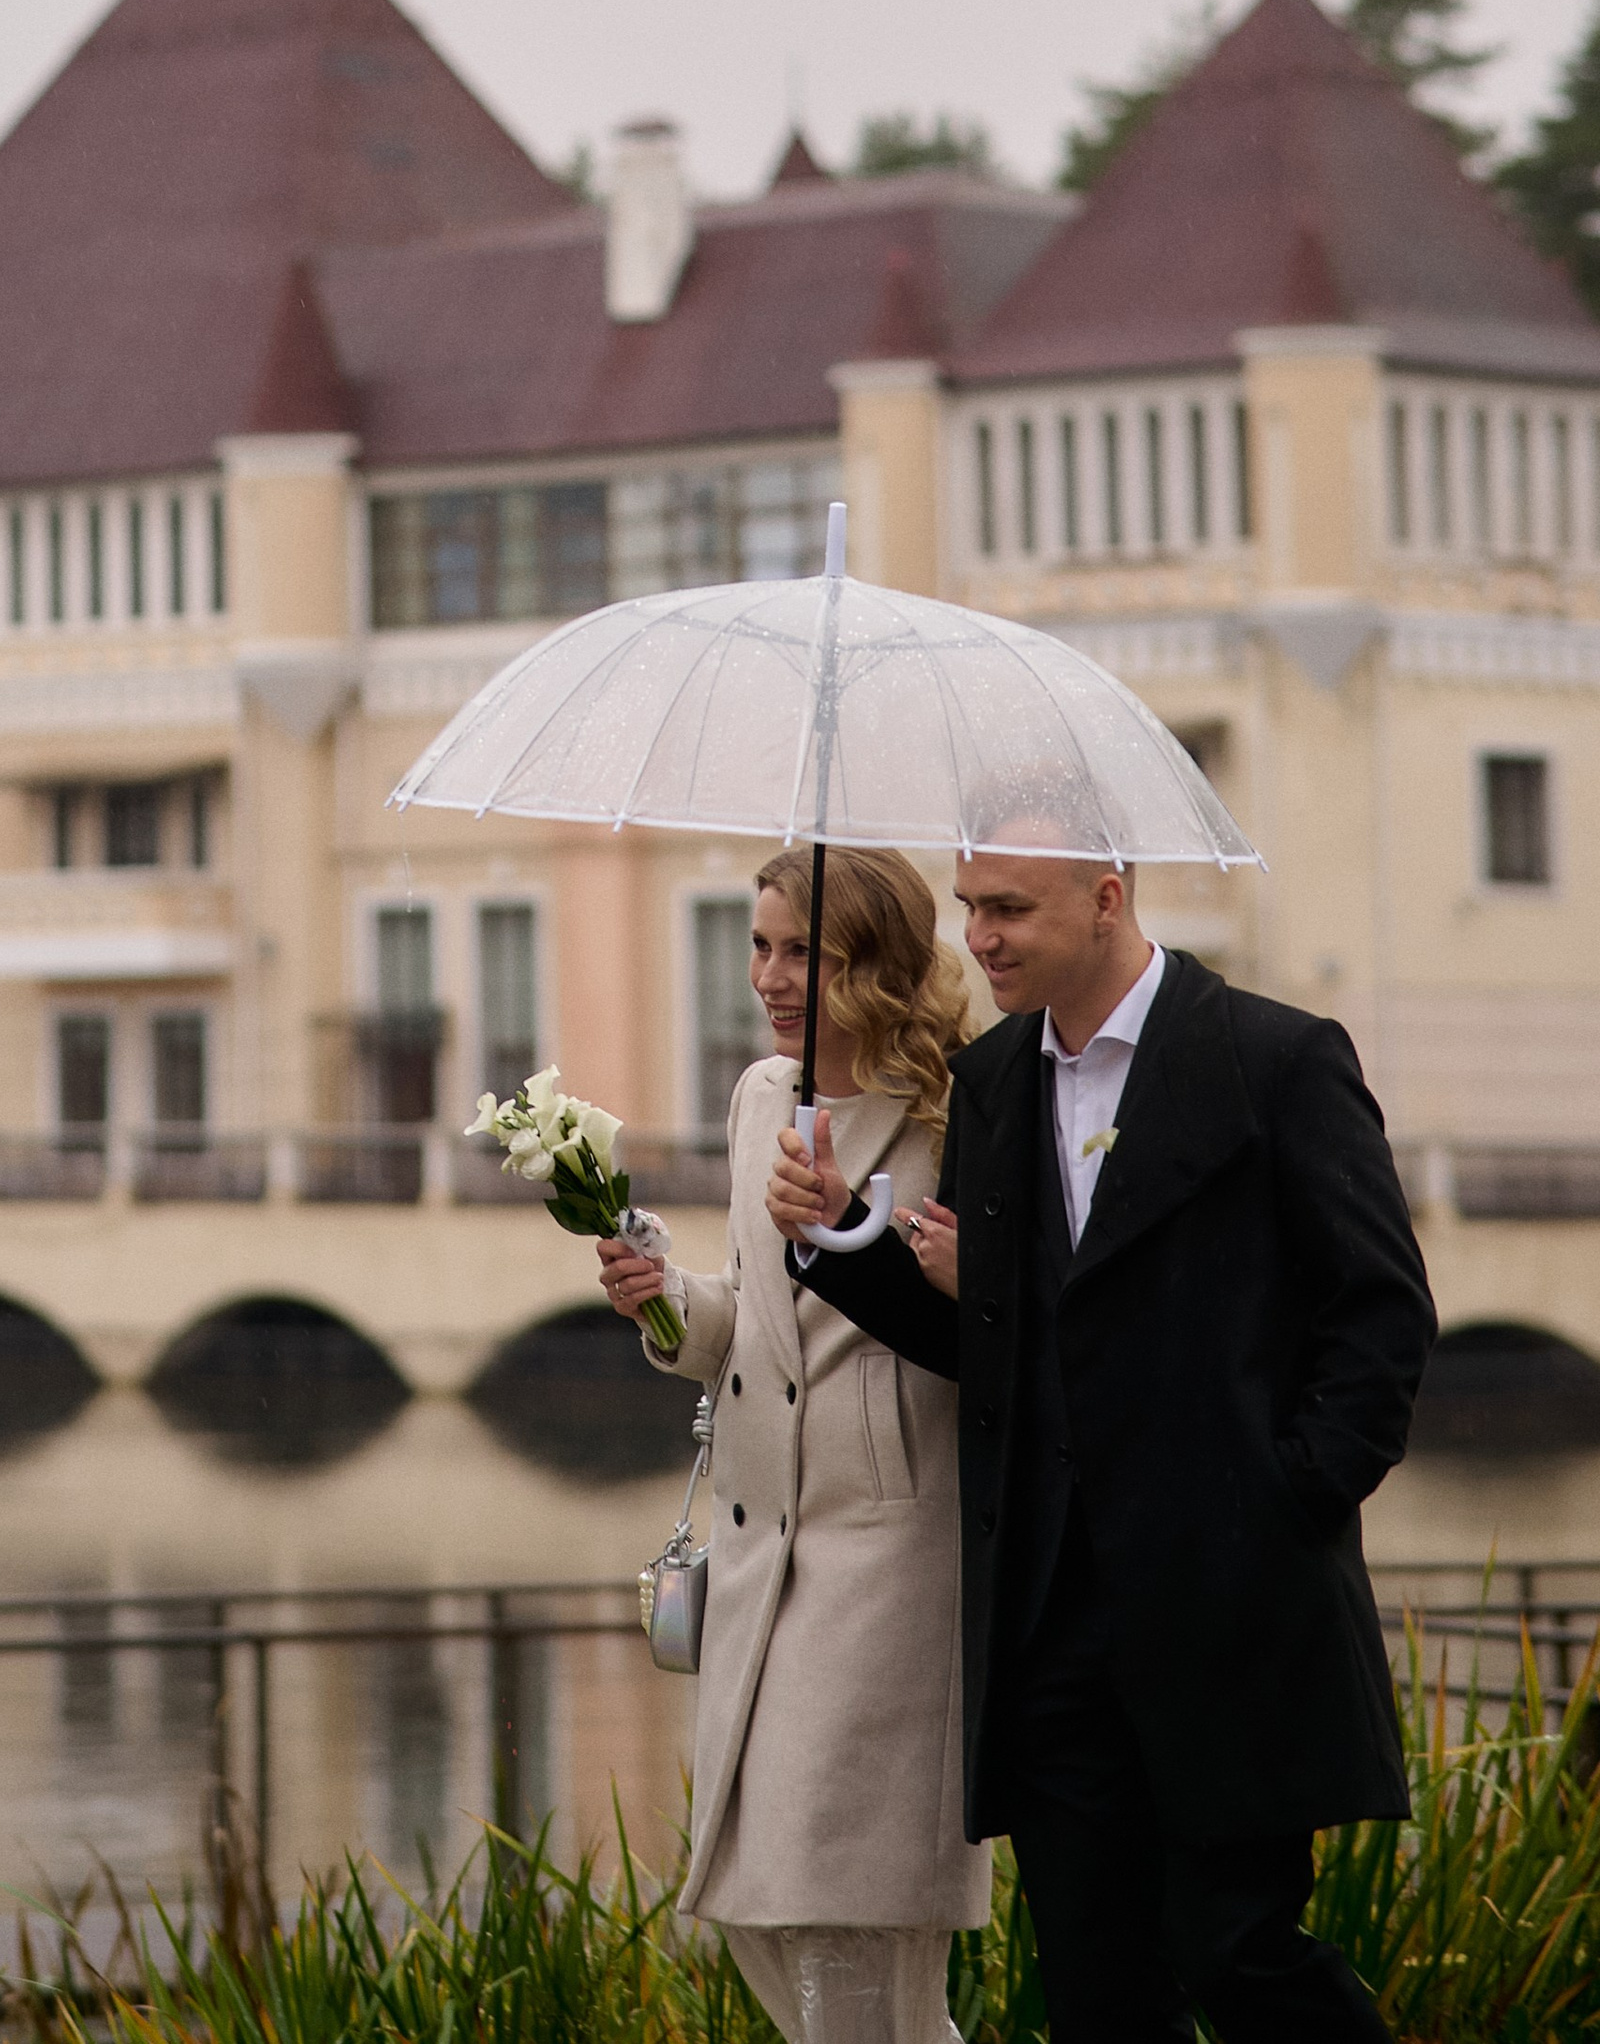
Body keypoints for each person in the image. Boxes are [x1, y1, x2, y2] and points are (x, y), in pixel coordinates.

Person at [768, 848, 1436, 2044]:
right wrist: (837, 1239)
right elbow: (996, 1340)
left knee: (1236, 1950)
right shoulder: (988, 1081)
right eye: (971, 905)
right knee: (1094, 1986)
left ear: (1107, 898)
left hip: (1227, 1602)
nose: (977, 935)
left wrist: (1286, 1500)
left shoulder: (1274, 1056)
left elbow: (1378, 1314)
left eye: (1008, 907)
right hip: (1051, 1622)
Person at [599, 847, 988, 2044]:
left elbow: (983, 1322)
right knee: (755, 1903)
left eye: (801, 949)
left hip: (887, 1554)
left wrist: (847, 1226)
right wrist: (664, 1297)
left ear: (871, 961)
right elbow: (753, 1328)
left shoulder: (956, 1107)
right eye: (759, 942)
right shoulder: (761, 1095)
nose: (770, 973)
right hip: (760, 1549)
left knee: (842, 1912)